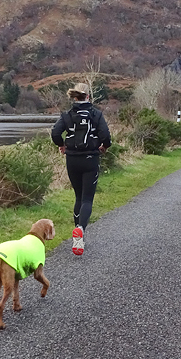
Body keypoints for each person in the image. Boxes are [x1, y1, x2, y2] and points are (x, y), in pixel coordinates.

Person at [51, 83, 111, 256]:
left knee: (78, 196)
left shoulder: (67, 115)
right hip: (91, 159)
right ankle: (80, 230)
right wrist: (104, 147)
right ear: (88, 96)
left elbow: (55, 133)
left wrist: (62, 145)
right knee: (87, 199)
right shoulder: (96, 114)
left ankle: (78, 236)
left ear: (75, 97)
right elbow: (106, 136)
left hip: (72, 160)